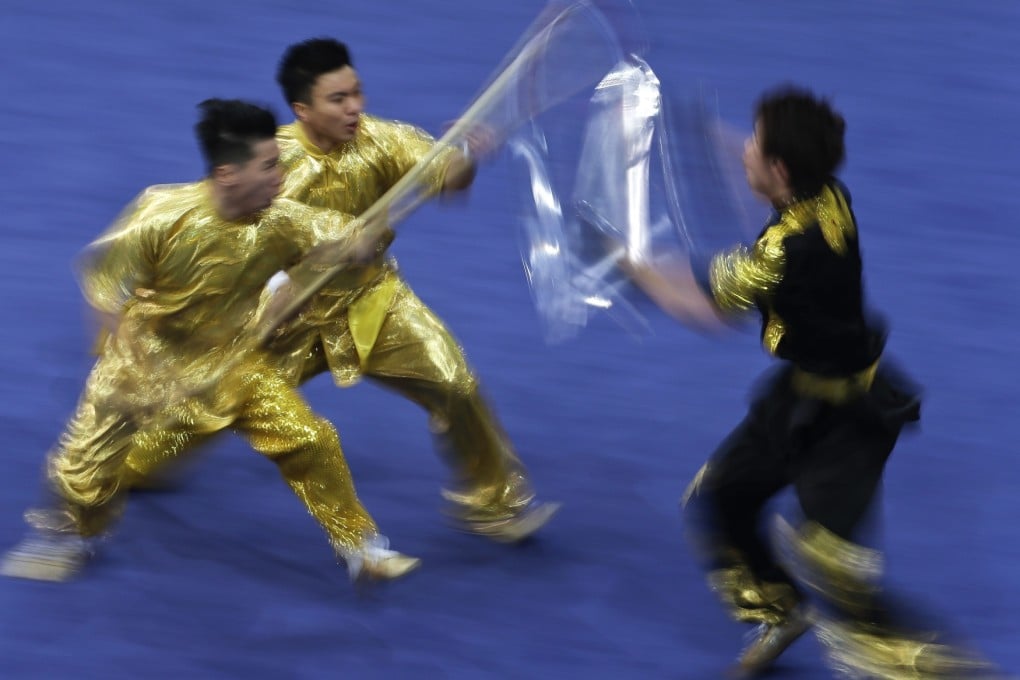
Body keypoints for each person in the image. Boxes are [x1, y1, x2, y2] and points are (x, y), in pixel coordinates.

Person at [620, 86, 998, 677]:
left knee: (833, 563)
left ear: (779, 169)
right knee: (723, 496)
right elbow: (773, 218)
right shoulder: (828, 195)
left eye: (753, 142)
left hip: (850, 419)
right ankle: (779, 610)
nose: (742, 148)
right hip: (800, 396)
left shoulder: (780, 255)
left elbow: (706, 307)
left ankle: (937, 667)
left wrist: (634, 267)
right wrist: (726, 151)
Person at [125, 38, 558, 542]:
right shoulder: (270, 163)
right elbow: (225, 237)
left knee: (455, 384)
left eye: (357, 93)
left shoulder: (386, 140)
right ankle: (133, 465)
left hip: (370, 301)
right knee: (207, 408)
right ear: (301, 109)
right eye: (338, 99)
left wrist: (466, 156)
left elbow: (447, 179)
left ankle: (494, 504)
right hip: (283, 314)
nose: (355, 107)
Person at [1, 99, 419, 585]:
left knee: (311, 439)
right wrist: (127, 355)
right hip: (143, 366)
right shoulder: (159, 214)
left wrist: (363, 238)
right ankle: (72, 537)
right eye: (269, 166)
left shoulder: (282, 220)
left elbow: (342, 236)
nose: (281, 175)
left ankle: (360, 547)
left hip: (234, 365)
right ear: (228, 173)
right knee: (83, 463)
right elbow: (102, 290)